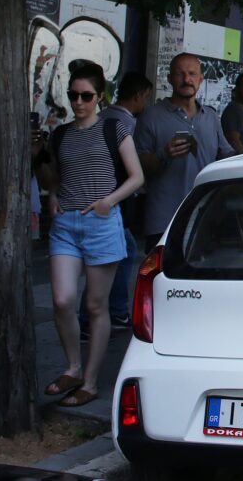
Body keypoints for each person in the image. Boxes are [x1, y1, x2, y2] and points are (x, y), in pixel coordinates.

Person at [39, 62, 144, 407]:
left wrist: (108, 202)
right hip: (65, 224)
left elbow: (136, 176)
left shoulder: (113, 128)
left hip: (101, 222)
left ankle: (91, 381)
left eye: (86, 96)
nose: (79, 102)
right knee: (62, 300)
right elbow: (55, 176)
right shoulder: (61, 134)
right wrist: (53, 195)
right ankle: (72, 367)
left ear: (100, 97)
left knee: (96, 305)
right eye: (73, 95)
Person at [77, 72, 153, 337]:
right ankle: (104, 314)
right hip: (112, 198)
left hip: (99, 197)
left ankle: (98, 315)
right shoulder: (126, 124)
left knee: (111, 253)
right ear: (138, 95)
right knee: (118, 252)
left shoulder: (103, 117)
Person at [135, 53, 233, 249]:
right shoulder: (151, 116)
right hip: (164, 220)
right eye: (180, 74)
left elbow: (226, 156)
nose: (186, 79)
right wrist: (164, 154)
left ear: (201, 79)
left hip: (204, 217)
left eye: (192, 74)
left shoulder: (211, 117)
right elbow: (138, 166)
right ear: (170, 78)